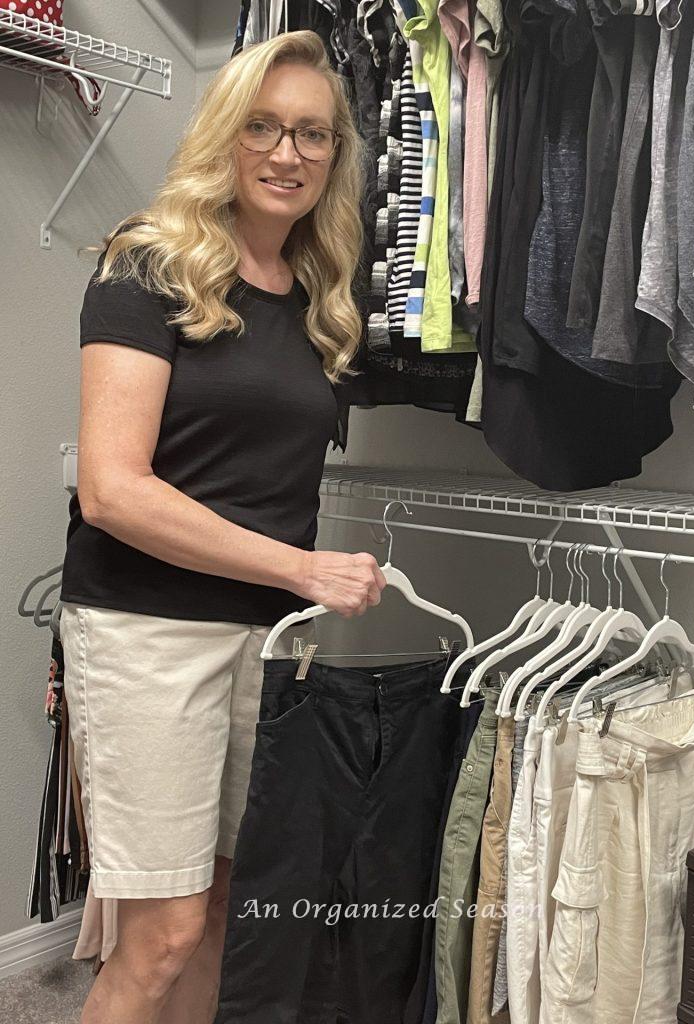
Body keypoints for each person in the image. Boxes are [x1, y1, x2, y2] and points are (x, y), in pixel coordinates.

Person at [57, 30, 387, 1024]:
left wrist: (298, 585)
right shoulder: (148, 263)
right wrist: (301, 565)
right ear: (226, 135)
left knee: (225, 907)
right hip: (149, 633)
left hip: (269, 641)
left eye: (313, 135)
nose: (288, 153)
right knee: (155, 936)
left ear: (336, 156)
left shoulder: (325, 295)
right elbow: (113, 489)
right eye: (264, 126)